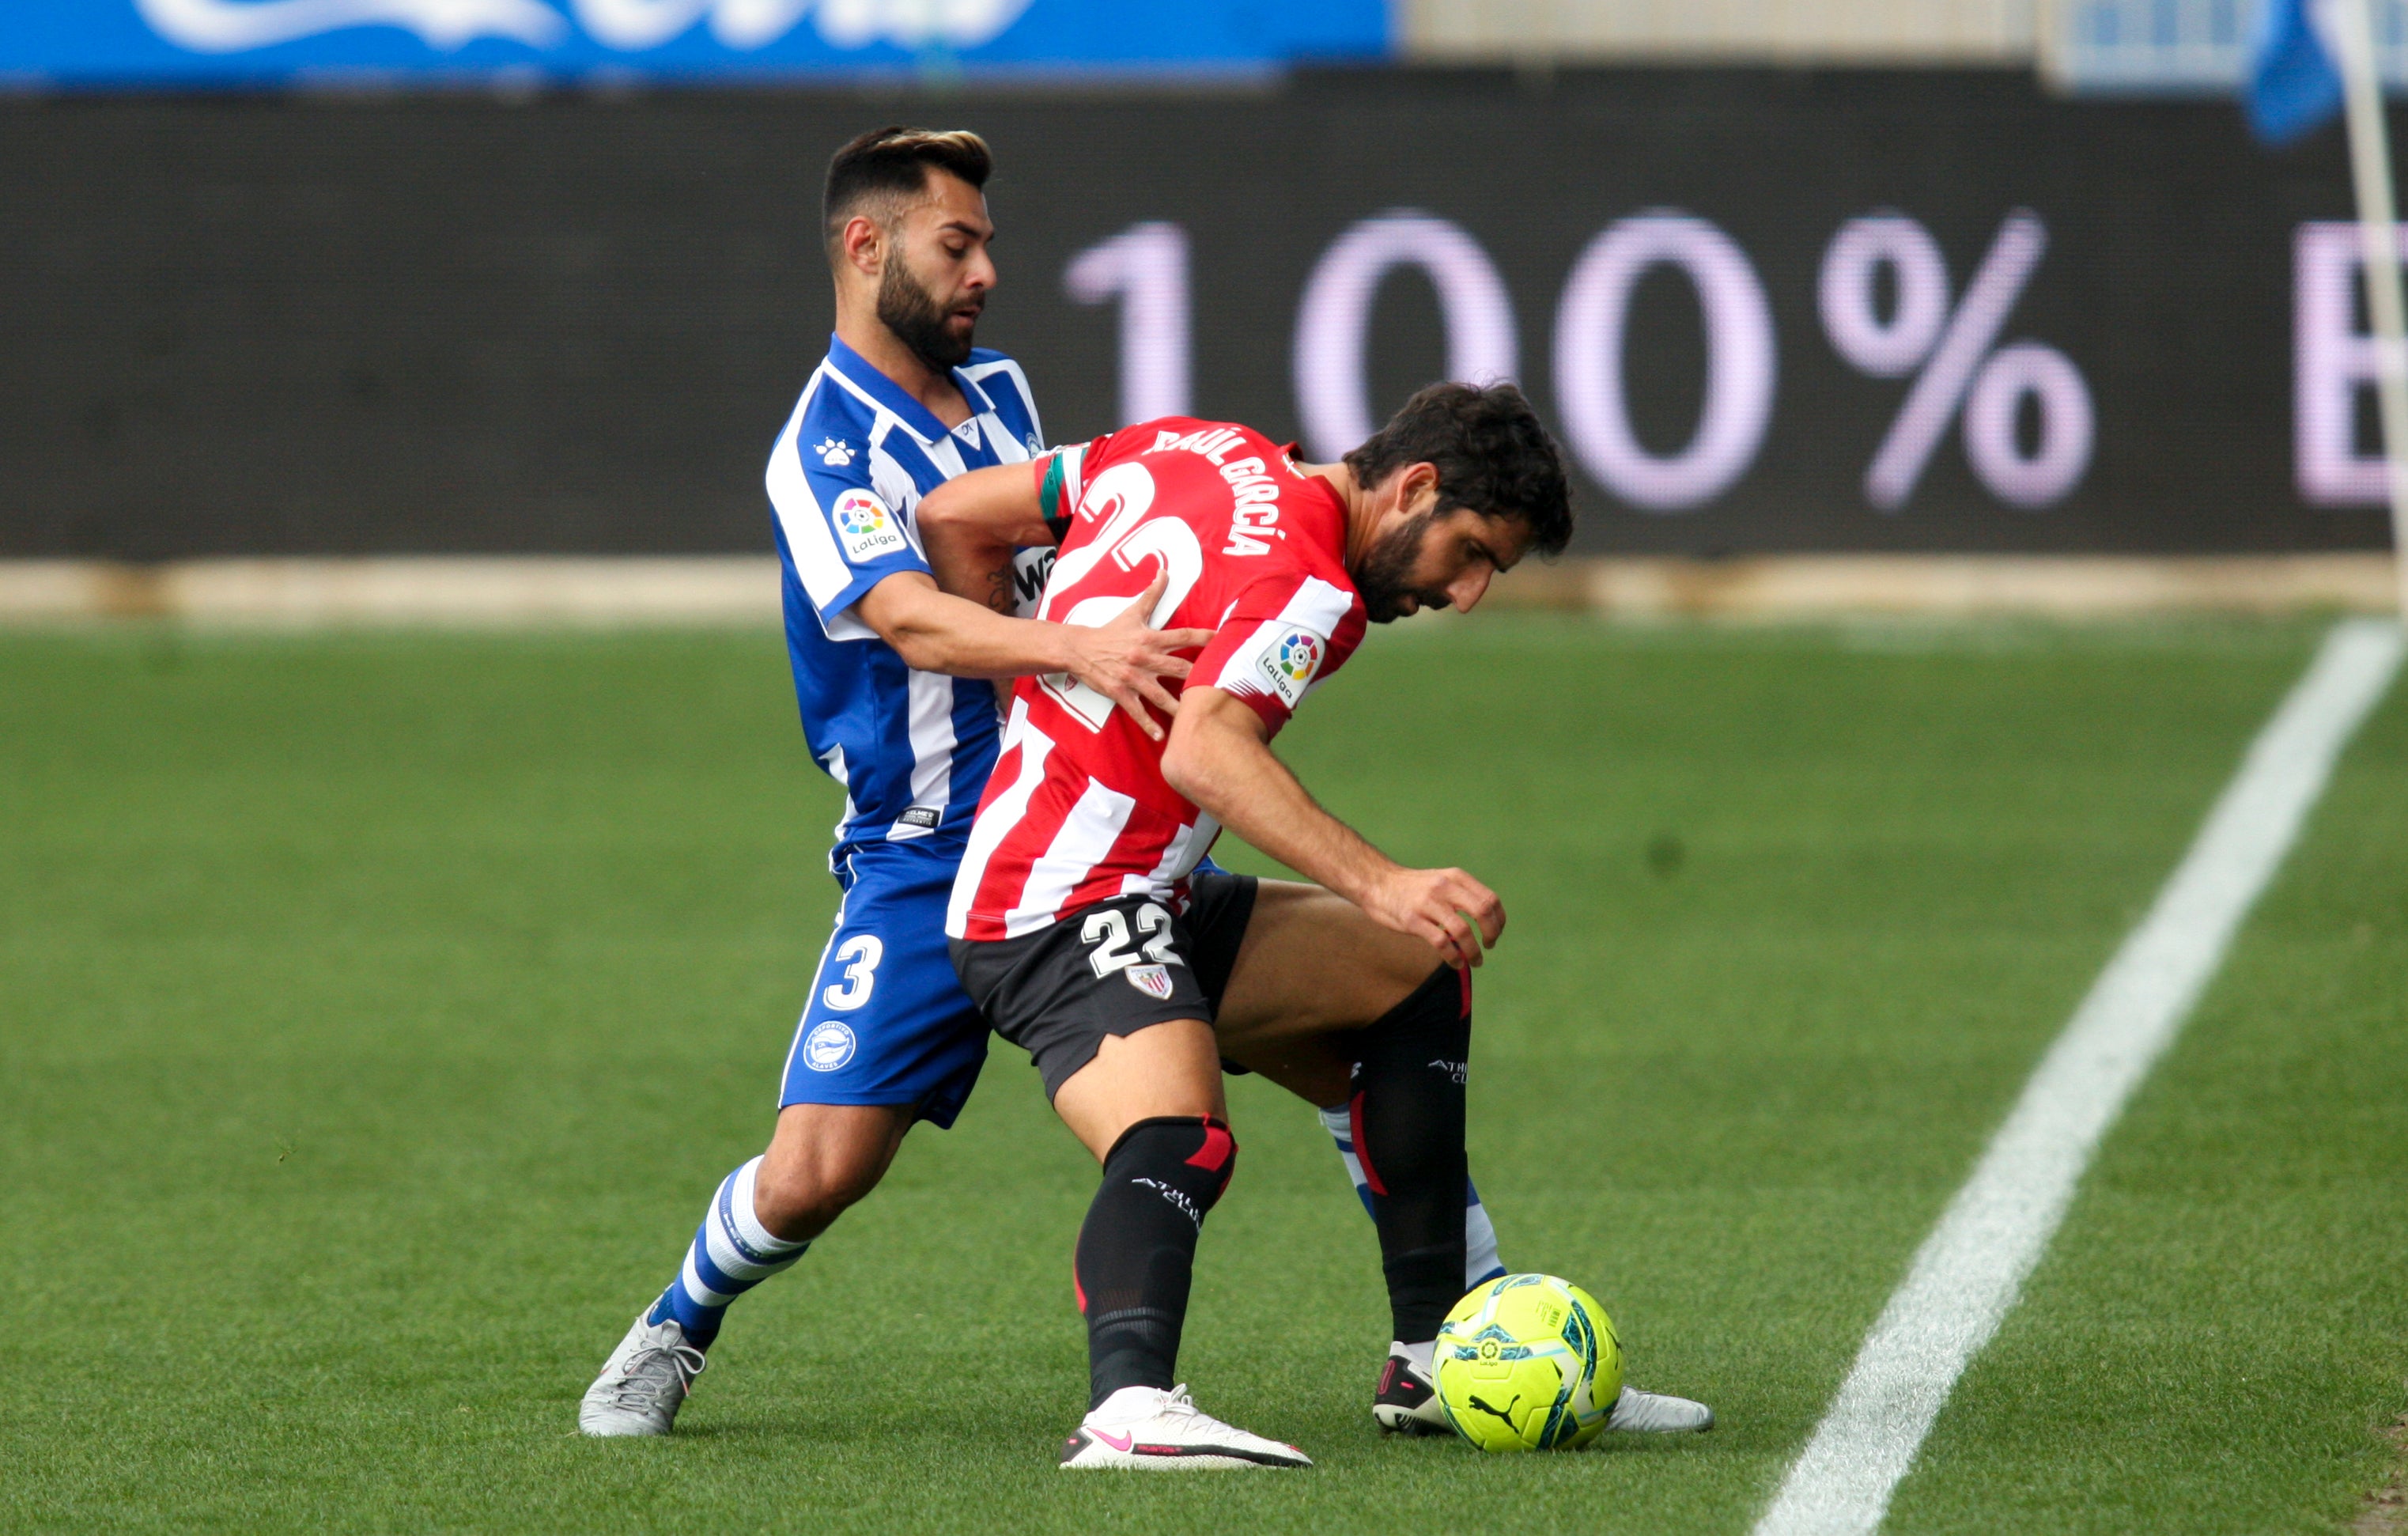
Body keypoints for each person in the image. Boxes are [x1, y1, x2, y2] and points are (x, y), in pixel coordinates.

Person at [924, 384, 1714, 1468]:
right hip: (1054, 903)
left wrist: (1032, 665)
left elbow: (957, 511)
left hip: (1140, 886)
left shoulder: (1195, 446)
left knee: (1410, 974)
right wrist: (1382, 879)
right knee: (1176, 1133)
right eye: (1472, 553)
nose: (1470, 593)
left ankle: (1437, 1353)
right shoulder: (1307, 581)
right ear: (1414, 488)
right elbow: (1203, 751)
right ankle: (1128, 1408)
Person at [577, 125, 1207, 1437]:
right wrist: (1077, 643)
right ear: (867, 249)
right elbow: (913, 621)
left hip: (1069, 822)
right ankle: (673, 1327)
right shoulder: (821, 450)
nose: (983, 272)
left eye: (985, 245)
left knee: (1343, 1008)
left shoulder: (1003, 397)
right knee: (812, 1174)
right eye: (955, 244)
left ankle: (1443, 1324)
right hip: (924, 855)